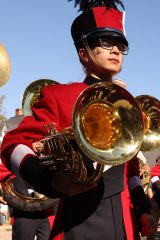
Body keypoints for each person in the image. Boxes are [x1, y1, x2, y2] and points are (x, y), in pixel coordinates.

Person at [0, 1, 157, 239]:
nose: (115, 49)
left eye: (120, 44)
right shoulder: (59, 95)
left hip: (125, 224)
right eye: (105, 43)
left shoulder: (128, 107)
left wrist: (143, 209)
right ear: (83, 53)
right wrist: (50, 179)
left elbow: (131, 171)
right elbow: (12, 144)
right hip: (78, 224)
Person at [0, 109, 57, 240]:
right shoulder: (14, 151)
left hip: (47, 211)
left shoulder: (46, 145)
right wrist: (29, 148)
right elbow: (4, 168)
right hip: (23, 212)